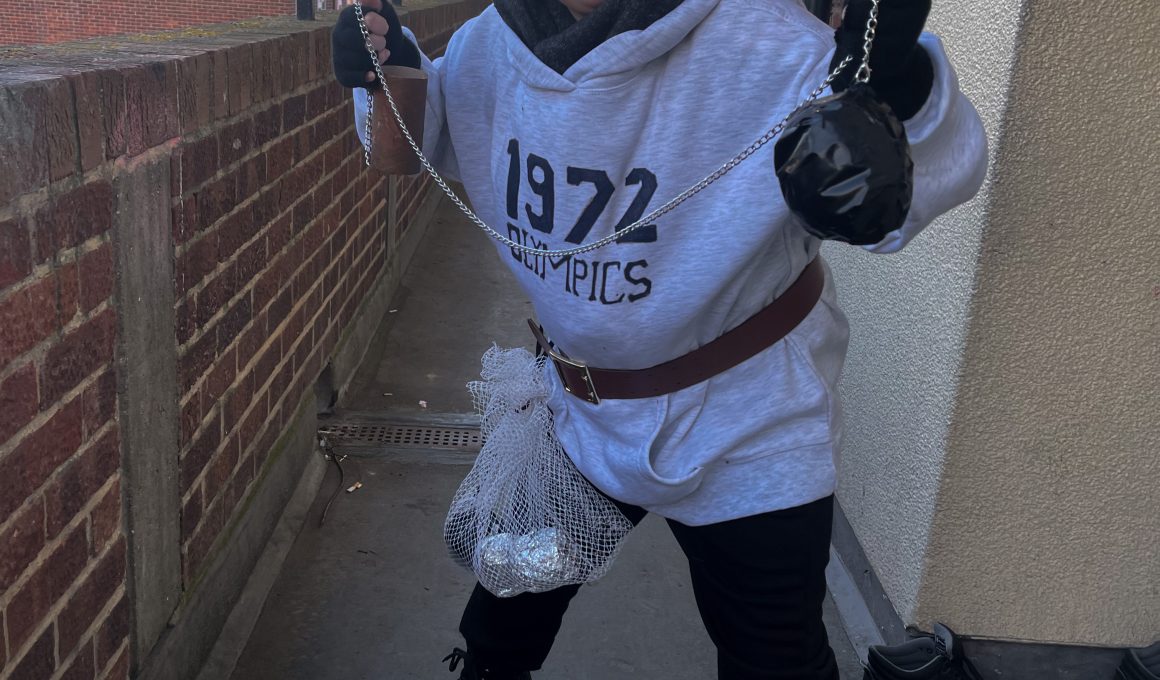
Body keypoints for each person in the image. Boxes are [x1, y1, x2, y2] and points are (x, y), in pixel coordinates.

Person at [332, 0, 987, 678]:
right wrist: (390, 69)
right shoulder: (488, 48)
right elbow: (429, 139)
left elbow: (930, 182)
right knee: (503, 615)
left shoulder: (772, 45)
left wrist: (898, 91)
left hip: (747, 425)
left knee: (775, 659)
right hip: (581, 415)